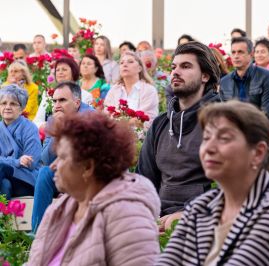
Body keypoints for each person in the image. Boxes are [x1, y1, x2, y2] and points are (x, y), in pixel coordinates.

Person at [159, 101, 269, 265]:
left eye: (224, 138)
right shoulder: (202, 206)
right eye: (206, 137)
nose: (208, 148)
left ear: (258, 153)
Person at [28, 111, 160, 265]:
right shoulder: (59, 210)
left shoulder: (127, 216)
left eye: (62, 157)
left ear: (88, 167)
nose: (53, 165)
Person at [136, 41, 221, 229]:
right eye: (174, 67)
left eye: (186, 66)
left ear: (205, 76)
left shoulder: (221, 121)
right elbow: (144, 182)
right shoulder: (160, 124)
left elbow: (234, 190)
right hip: (158, 220)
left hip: (203, 223)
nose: (176, 72)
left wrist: (189, 215)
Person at [31, 81, 93, 232]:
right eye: (54, 101)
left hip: (89, 173)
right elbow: (45, 159)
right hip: (65, 172)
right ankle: (37, 233)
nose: (57, 105)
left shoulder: (90, 117)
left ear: (77, 102)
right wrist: (58, 132)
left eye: (62, 100)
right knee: (44, 173)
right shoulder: (53, 120)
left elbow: (85, 155)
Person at [220, 37, 269, 124]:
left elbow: (267, 113)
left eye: (240, 52)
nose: (236, 56)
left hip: (262, 130)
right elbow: (224, 114)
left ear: (251, 54)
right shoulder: (224, 82)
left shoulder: (266, 76)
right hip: (235, 132)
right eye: (233, 52)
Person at [0, 85, 41, 199]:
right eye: (3, 103)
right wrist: (16, 161)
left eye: (13, 104)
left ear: (22, 108)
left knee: (2, 167)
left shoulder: (30, 128)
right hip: (5, 177)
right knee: (5, 184)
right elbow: (19, 162)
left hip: (27, 179)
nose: (7, 107)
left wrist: (6, 163)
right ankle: (3, 215)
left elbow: (30, 162)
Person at [33, 57, 93, 128]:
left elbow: (85, 123)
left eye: (64, 69)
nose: (60, 72)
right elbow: (37, 122)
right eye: (57, 70)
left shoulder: (85, 95)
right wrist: (49, 126)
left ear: (73, 72)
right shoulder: (48, 94)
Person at [104, 51, 159, 124]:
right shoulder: (114, 90)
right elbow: (106, 115)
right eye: (121, 63)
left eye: (130, 62)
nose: (125, 64)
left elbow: (147, 119)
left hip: (140, 134)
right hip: (114, 133)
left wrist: (124, 123)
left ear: (140, 68)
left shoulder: (149, 90)